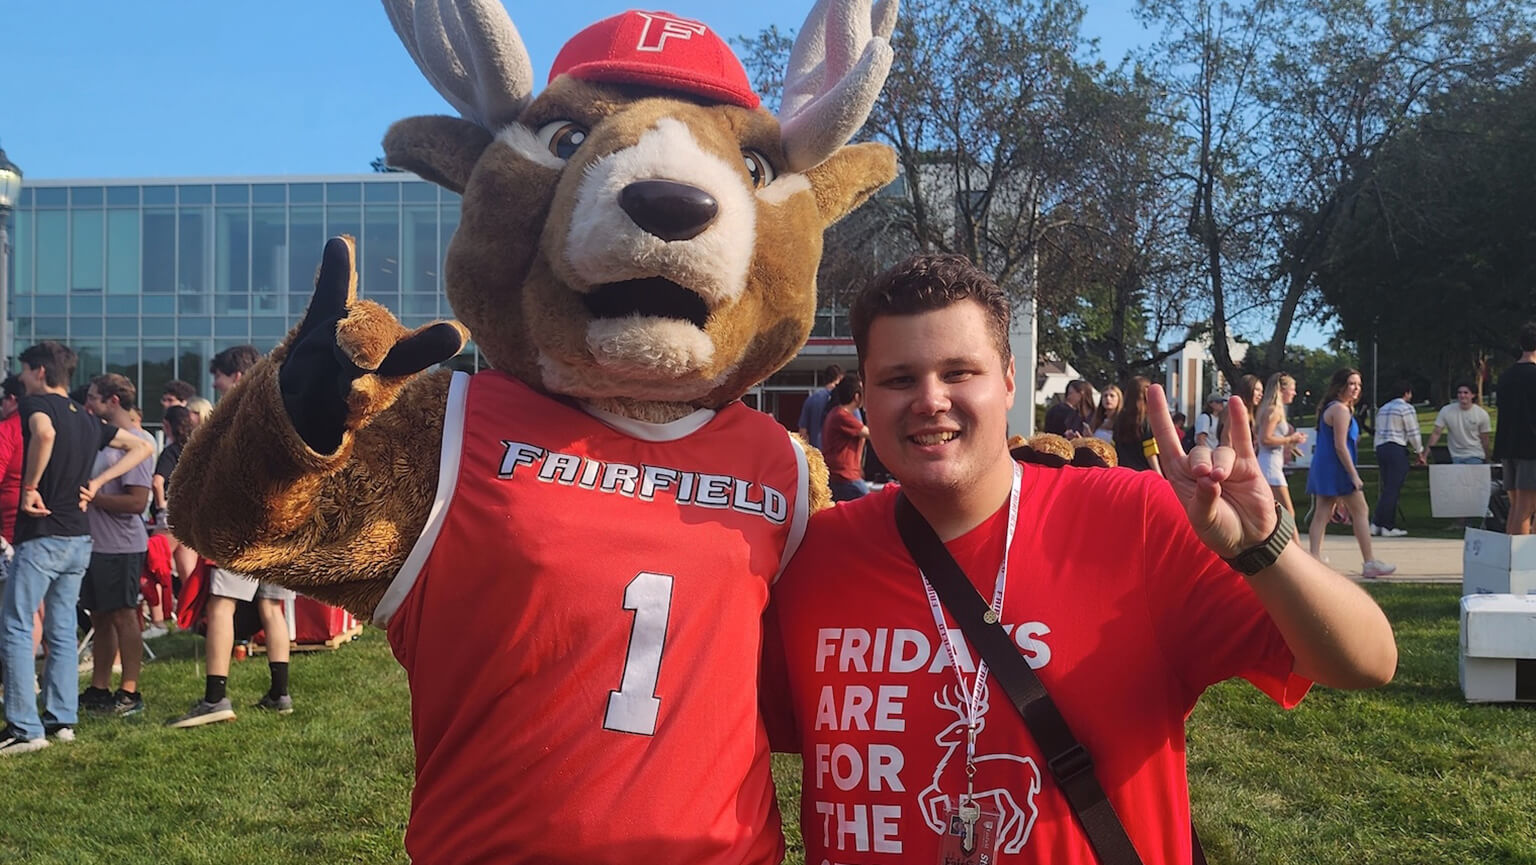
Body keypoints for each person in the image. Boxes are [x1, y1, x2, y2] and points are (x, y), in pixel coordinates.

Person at [762, 254, 1396, 864]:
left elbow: (1367, 661)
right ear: (865, 395)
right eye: (900, 379)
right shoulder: (815, 557)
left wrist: (1265, 548)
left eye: (959, 372)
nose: (930, 399)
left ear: (1009, 380)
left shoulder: (1136, 520)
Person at [0, 341, 155, 755]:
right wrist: (99, 485)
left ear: (40, 373)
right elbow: (144, 446)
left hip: (42, 534)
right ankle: (61, 719)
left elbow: (44, 434)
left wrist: (31, 487)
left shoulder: (38, 408)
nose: (22, 377)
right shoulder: (86, 419)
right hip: (79, 538)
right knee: (63, 631)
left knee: (17, 627)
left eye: (25, 370)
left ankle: (23, 726)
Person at [168, 345, 295, 727]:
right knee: (272, 609)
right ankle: (280, 693)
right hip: (281, 523)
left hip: (241, 524)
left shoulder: (238, 415)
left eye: (219, 378)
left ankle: (215, 698)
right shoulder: (283, 406)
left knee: (221, 605)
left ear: (237, 377)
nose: (216, 385)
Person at [78, 374, 158, 718]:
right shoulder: (101, 440)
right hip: (94, 545)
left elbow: (137, 503)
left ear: (112, 401)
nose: (87, 405)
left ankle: (129, 690)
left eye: (93, 398)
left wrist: (93, 499)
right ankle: (99, 687)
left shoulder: (138, 441)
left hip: (122, 546)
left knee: (125, 615)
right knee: (100, 617)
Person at [1305, 368, 1396, 576]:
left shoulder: (1334, 408)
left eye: (1359, 385)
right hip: (1338, 468)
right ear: (1341, 386)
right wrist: (1353, 474)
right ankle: (1369, 562)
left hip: (1325, 467)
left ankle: (1313, 557)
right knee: (1360, 511)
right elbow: (1339, 445)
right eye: (1352, 384)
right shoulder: (1340, 410)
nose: (1356, 388)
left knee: (1322, 513)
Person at [1493, 323, 1536, 534]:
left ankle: (1512, 559)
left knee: (1516, 507)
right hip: (1530, 448)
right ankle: (1521, 563)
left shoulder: (1505, 377)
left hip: (1508, 447)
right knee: (1525, 509)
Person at [1372, 380, 1426, 538]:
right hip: (1396, 447)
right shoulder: (1406, 408)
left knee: (1387, 486)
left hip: (1381, 447)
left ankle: (1377, 523)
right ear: (1407, 392)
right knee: (1393, 488)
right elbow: (1412, 431)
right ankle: (1387, 525)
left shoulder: (1382, 409)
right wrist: (1419, 451)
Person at [1255, 372, 1306, 516]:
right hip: (1270, 466)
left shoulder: (1269, 409)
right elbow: (1265, 439)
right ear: (1282, 390)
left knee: (1273, 513)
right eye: (1292, 389)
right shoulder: (1274, 410)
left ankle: (1286, 539)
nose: (1294, 393)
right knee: (1287, 513)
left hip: (1271, 463)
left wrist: (1292, 443)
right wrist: (1290, 439)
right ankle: (1294, 539)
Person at [822, 374, 870, 502]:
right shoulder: (842, 417)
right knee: (872, 507)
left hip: (841, 475)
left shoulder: (835, 414)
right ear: (856, 396)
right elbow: (869, 433)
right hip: (845, 475)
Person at [1428, 381, 1491, 465]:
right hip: (1454, 456)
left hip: (1475, 455)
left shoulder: (1481, 414)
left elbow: (1485, 438)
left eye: (1466, 393)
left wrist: (1487, 458)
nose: (1462, 395)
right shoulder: (1446, 410)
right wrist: (1425, 455)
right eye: (1460, 393)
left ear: (1473, 395)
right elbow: (1436, 433)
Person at [1112, 375, 1161, 474]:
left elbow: (1114, 447)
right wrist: (1159, 476)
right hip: (1143, 474)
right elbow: (1150, 452)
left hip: (1123, 473)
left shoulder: (1119, 418)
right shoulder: (1146, 420)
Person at [797, 364, 844, 450]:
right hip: (836, 452)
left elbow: (803, 431)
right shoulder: (843, 400)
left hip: (817, 451)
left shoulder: (812, 399)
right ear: (839, 378)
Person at [1226, 374, 1263, 447]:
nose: (1260, 394)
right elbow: (1227, 436)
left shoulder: (1250, 413)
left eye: (1261, 391)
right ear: (1247, 389)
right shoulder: (1237, 409)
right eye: (1257, 390)